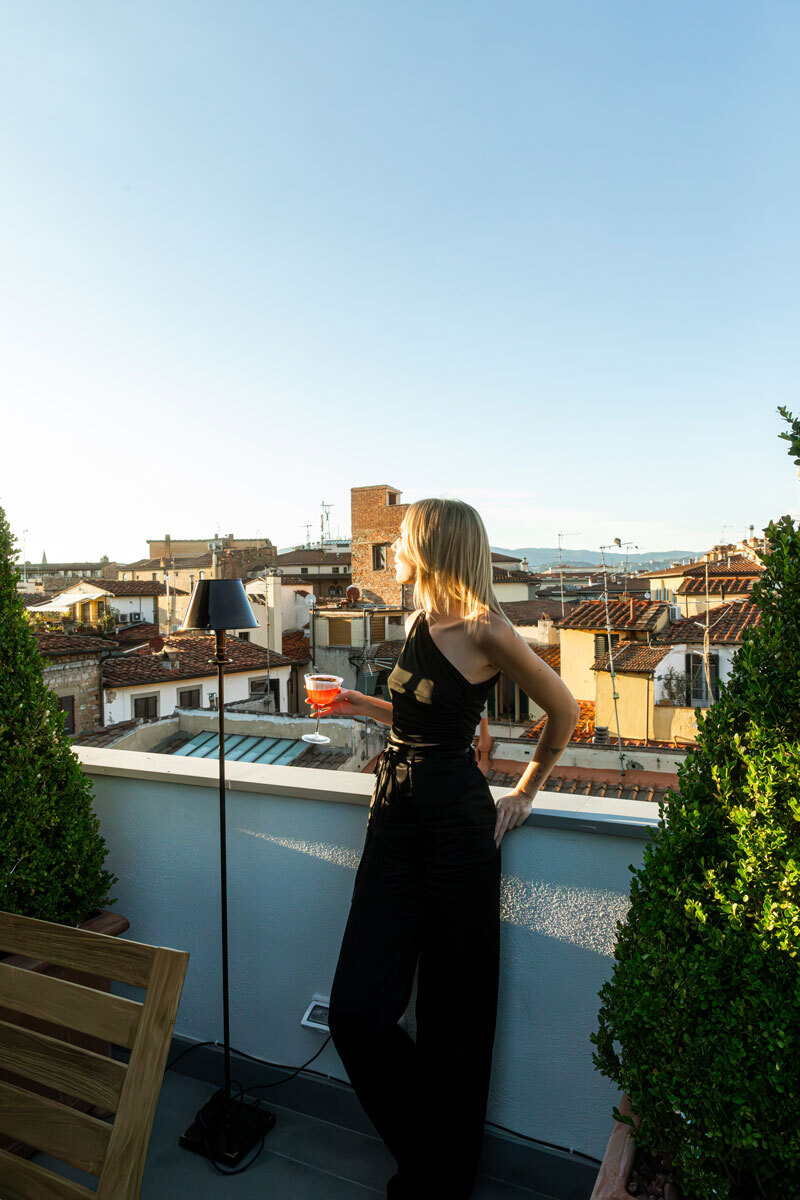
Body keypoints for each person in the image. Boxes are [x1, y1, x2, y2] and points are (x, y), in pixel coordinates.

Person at [318, 498, 580, 1199]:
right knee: (357, 1012)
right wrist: (355, 704)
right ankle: (434, 1153)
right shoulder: (415, 621)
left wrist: (525, 789)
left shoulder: (485, 627)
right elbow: (422, 717)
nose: (390, 554)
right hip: (395, 812)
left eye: (398, 543)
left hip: (456, 823)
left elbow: (564, 709)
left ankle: (438, 1182)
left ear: (431, 547)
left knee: (453, 1015)